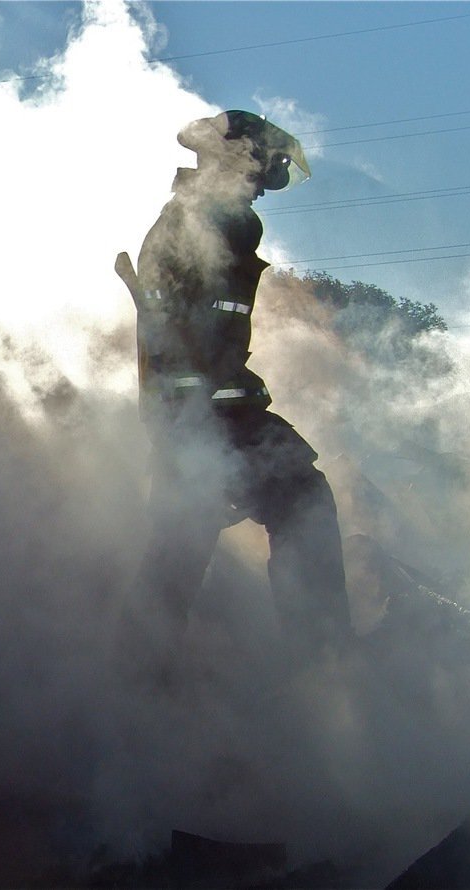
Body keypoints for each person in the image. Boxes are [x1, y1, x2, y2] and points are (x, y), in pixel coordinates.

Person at [118, 111, 351, 681]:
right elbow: (167, 338)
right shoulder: (195, 221)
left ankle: (322, 662)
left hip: (225, 413)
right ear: (235, 161)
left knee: (296, 498)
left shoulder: (223, 223)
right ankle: (138, 684)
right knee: (182, 546)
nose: (265, 186)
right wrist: (185, 435)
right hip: (195, 420)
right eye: (264, 170)